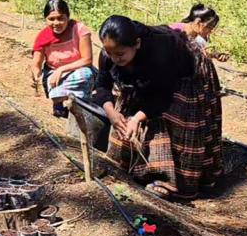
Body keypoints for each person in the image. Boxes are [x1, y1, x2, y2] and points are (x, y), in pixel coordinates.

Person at [93, 15, 223, 200]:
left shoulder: (160, 51)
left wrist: (138, 118)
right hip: (147, 76)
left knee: (170, 121)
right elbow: (101, 84)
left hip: (183, 71)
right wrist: (112, 113)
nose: (114, 58)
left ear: (136, 44)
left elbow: (162, 97)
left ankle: (167, 180)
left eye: (120, 54)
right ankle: (134, 166)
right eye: (110, 53)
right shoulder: (110, 53)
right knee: (126, 117)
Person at [30, 0, 96, 118]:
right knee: (54, 87)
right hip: (53, 73)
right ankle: (60, 105)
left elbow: (87, 60)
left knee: (86, 75)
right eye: (51, 19)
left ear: (68, 17)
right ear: (45, 19)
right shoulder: (42, 37)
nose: (56, 23)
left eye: (61, 18)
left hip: (78, 68)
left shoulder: (79, 30)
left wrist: (62, 69)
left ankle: (80, 105)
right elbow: (36, 62)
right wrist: (36, 75)